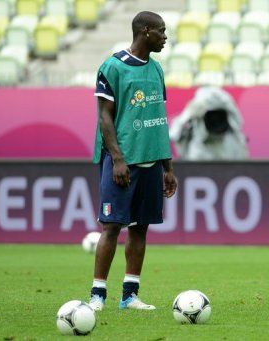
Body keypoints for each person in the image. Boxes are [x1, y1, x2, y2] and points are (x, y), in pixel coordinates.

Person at [89, 11, 177, 311]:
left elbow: (158, 119)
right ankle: (98, 295)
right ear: (146, 31)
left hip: (151, 161)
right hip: (123, 161)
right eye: (162, 31)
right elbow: (104, 116)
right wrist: (116, 159)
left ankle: (129, 296)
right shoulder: (112, 67)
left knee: (140, 229)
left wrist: (168, 167)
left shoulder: (157, 69)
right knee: (112, 226)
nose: (165, 37)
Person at [170, 86, 249, 160]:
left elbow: (239, 122)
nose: (215, 119)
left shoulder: (233, 140)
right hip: (202, 144)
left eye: (220, 115)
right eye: (211, 115)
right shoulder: (194, 115)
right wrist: (192, 112)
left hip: (226, 145)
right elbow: (174, 134)